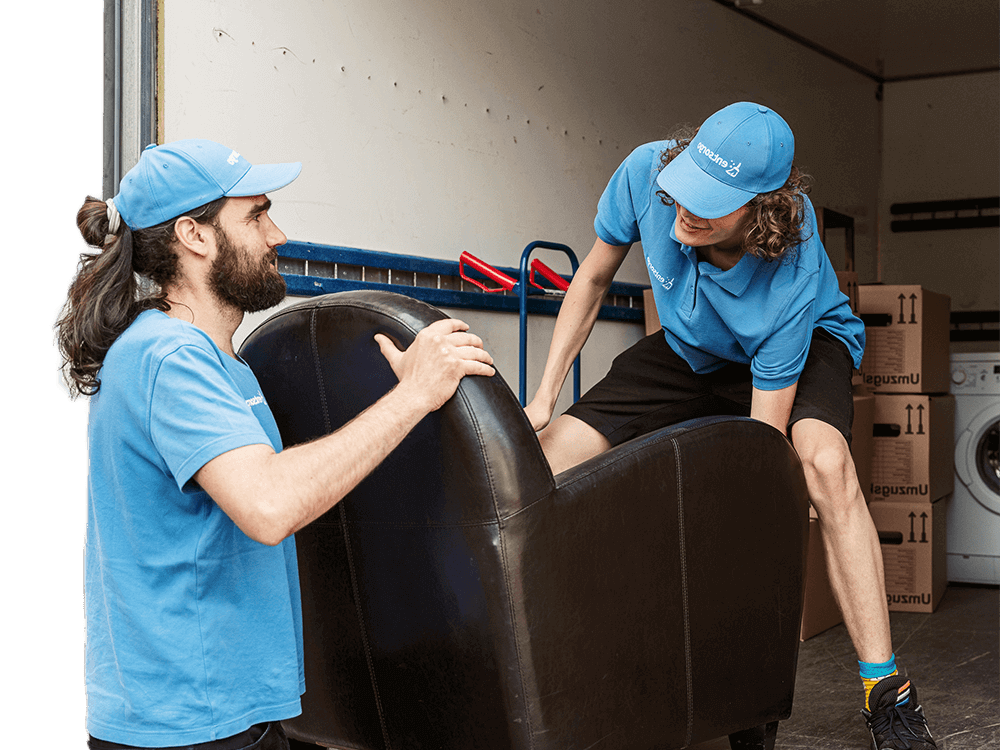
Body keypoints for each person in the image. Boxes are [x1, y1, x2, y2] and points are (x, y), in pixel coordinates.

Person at [54, 139, 495, 750]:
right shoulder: (169, 357)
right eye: (257, 215)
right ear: (196, 236)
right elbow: (267, 504)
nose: (277, 234)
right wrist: (413, 395)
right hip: (189, 727)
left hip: (227, 711)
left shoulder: (223, 364)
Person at [524, 102, 937, 750]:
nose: (685, 209)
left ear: (761, 213)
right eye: (687, 185)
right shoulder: (645, 173)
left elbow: (759, 451)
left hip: (802, 344)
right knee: (541, 460)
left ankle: (881, 689)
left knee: (819, 465)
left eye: (711, 202)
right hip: (691, 348)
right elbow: (596, 276)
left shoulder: (790, 275)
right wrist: (544, 397)